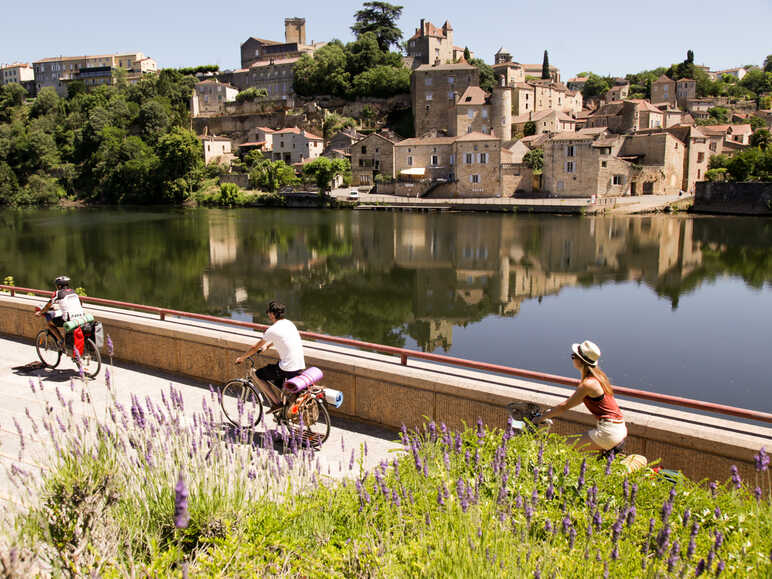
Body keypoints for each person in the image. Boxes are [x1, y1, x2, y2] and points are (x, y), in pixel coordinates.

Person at [535, 340, 627, 452]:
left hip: (608, 433)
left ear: (581, 361)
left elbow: (565, 406)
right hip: (619, 428)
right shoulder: (599, 377)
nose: (572, 359)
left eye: (573, 356)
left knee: (557, 446)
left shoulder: (588, 384)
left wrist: (541, 418)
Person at [235, 301, 305, 411]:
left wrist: (242, 358)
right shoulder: (289, 323)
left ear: (272, 314)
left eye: (268, 312)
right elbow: (280, 338)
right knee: (277, 377)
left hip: (288, 367)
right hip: (299, 364)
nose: (268, 314)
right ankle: (286, 408)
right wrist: (267, 346)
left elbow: (254, 347)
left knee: (258, 374)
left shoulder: (272, 330)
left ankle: (276, 404)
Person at [35, 276, 85, 341]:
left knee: (50, 324)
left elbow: (49, 304)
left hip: (69, 319)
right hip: (80, 317)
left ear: (59, 286)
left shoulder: (58, 293)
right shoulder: (73, 292)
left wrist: (41, 312)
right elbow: (80, 302)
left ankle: (61, 340)